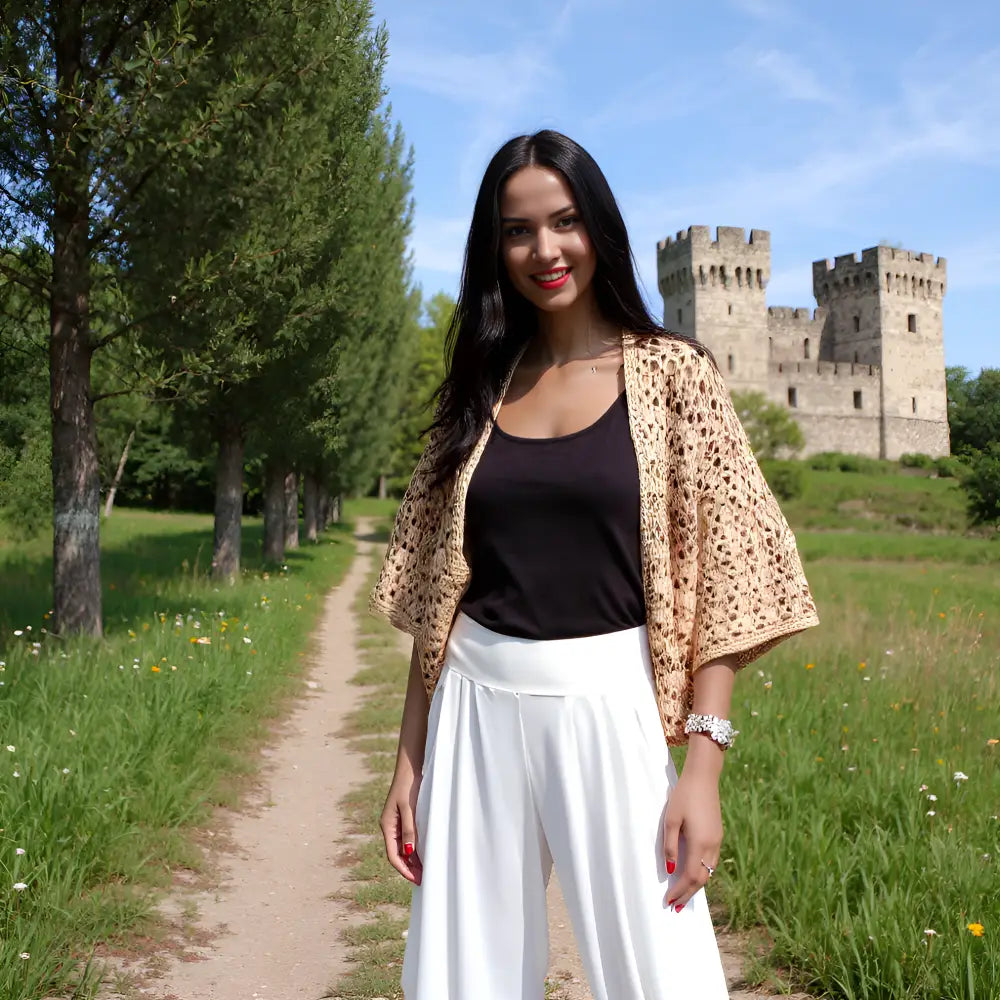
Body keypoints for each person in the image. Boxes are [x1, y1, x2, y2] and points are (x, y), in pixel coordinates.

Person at [370, 129, 820, 1000]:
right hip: (473, 705)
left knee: (663, 977)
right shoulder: (480, 385)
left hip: (615, 706)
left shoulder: (674, 375)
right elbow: (439, 598)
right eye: (517, 230)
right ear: (494, 248)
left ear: (598, 227)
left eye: (565, 221)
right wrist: (408, 763)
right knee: (464, 980)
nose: (545, 250)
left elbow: (729, 579)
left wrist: (703, 769)